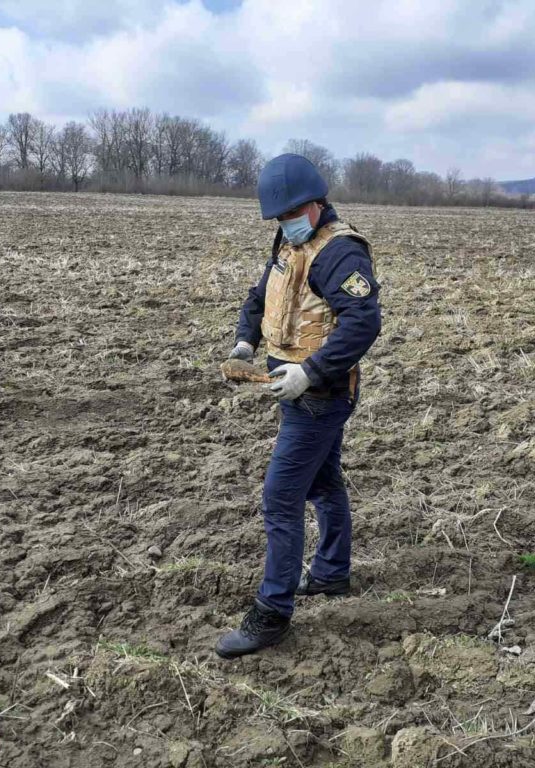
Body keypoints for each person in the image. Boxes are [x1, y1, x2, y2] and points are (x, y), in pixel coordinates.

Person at [215, 153, 382, 659]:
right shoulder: (291, 245)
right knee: (323, 482)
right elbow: (260, 293)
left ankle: (273, 611)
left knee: (280, 497)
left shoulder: (340, 253)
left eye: (288, 216)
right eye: (277, 220)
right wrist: (245, 341)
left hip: (321, 396)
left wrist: (310, 372)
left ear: (314, 205)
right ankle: (331, 574)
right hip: (296, 391)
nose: (282, 226)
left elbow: (363, 322)